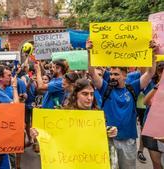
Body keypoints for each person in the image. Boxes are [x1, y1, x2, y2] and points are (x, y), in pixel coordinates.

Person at [87, 40, 157, 169]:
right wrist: (89, 52)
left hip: (128, 139)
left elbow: (150, 73)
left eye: (116, 74)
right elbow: (92, 72)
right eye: (112, 74)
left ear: (125, 75)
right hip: (109, 139)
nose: (112, 77)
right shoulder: (105, 88)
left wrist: (152, 54)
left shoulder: (133, 87)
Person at [30, 78, 118, 168]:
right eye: (85, 94)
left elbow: (99, 137)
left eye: (92, 94)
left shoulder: (97, 117)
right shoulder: (63, 116)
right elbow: (49, 141)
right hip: (68, 163)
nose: (89, 98)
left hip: (90, 162)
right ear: (76, 95)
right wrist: (37, 135)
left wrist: (110, 131)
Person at [142, 62, 164, 169]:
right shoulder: (154, 86)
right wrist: (158, 86)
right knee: (156, 163)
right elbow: (145, 101)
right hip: (152, 130)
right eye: (161, 73)